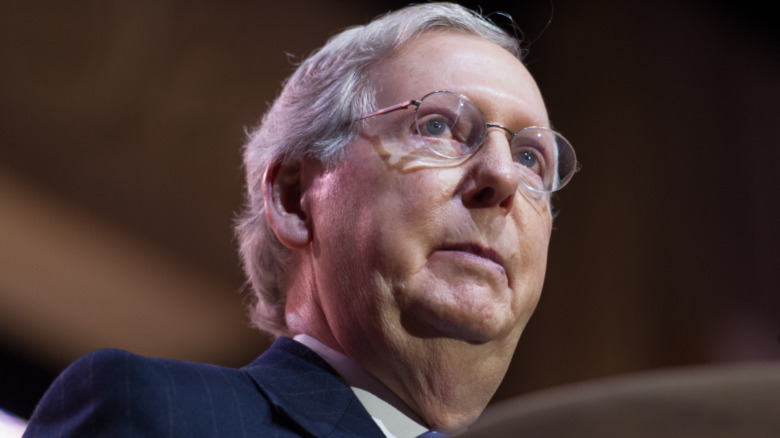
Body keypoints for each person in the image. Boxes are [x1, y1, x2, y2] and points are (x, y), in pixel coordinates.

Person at [23, 2, 579, 437]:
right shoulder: (159, 415)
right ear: (294, 197)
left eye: (532, 158)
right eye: (438, 127)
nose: (503, 177)